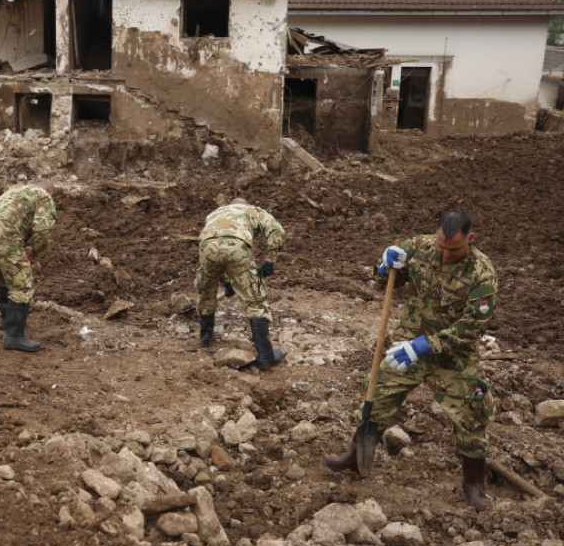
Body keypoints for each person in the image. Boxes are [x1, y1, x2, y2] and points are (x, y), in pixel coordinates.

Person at [323, 209, 498, 510]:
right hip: (407, 347)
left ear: (470, 239)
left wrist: (426, 345)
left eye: (454, 249)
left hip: (453, 356)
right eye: (441, 246)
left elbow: (472, 328)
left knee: (473, 413)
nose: (445, 254)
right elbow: (388, 280)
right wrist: (383, 266)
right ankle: (356, 456)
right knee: (377, 394)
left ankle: (473, 483)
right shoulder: (418, 248)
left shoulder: (482, 273)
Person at [195, 197, 285, 370]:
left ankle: (206, 339)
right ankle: (266, 357)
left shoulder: (214, 214)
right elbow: (277, 230)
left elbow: (219, 252)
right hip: (237, 245)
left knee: (206, 291)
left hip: (206, 246)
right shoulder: (254, 210)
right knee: (255, 300)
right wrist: (270, 260)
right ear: (246, 205)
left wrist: (228, 283)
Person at [0, 180, 57, 352]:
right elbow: (43, 228)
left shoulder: (15, 191)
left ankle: (6, 319)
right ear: (51, 193)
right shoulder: (44, 196)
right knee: (22, 284)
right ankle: (14, 336)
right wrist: (35, 252)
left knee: (1, 276)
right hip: (4, 234)